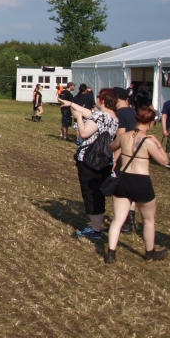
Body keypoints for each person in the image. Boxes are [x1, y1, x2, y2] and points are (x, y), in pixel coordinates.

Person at [105, 106, 170, 263]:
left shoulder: (124, 136)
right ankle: (150, 253)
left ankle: (111, 253)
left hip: (123, 179)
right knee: (148, 220)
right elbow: (165, 161)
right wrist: (158, 144)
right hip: (141, 181)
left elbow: (111, 147)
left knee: (117, 219)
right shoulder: (148, 141)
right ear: (150, 124)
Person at [61, 89, 119, 241]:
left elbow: (85, 132)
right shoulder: (113, 118)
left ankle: (95, 229)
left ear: (103, 101)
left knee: (91, 193)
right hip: (105, 160)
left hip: (89, 160)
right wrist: (72, 104)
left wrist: (78, 118)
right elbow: (90, 114)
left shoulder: (100, 115)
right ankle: (96, 226)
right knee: (98, 193)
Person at [112, 87, 140, 235]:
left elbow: (120, 139)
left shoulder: (120, 115)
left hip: (123, 155)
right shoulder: (132, 112)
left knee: (121, 191)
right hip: (134, 153)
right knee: (131, 188)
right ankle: (131, 222)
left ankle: (124, 222)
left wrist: (115, 160)